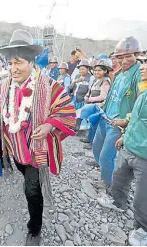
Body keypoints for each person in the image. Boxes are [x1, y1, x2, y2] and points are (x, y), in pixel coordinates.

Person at [0, 29, 76, 245]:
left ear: (31, 62)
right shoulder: (4, 85)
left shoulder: (50, 86)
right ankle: (27, 182)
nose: (13, 68)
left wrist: (48, 124)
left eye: (18, 62)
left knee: (32, 190)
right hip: (15, 148)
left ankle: (34, 228)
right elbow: (1, 104)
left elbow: (67, 111)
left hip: (36, 153)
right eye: (10, 63)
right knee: (22, 173)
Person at [97, 62, 147, 246]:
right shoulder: (144, 91)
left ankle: (142, 229)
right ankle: (118, 202)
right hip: (130, 146)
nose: (142, 67)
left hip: (144, 154)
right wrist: (125, 136)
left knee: (143, 195)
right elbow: (135, 116)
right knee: (119, 178)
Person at [92, 36, 142, 187]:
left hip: (117, 124)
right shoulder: (120, 73)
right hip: (105, 118)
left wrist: (127, 121)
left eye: (129, 56)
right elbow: (112, 94)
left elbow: (141, 103)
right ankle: (104, 174)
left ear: (137, 55)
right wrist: (103, 106)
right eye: (120, 57)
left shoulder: (139, 74)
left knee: (107, 156)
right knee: (96, 147)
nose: (124, 61)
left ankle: (112, 187)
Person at [75, 59, 112, 145]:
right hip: (92, 104)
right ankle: (89, 138)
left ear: (105, 71)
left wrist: (90, 99)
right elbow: (90, 90)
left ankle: (93, 143)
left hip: (99, 106)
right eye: (95, 70)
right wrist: (86, 96)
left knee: (96, 124)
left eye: (99, 70)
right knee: (91, 123)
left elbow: (103, 96)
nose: (96, 72)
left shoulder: (105, 81)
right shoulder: (96, 80)